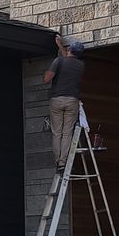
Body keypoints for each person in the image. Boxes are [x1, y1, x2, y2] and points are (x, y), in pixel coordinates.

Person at [44, 34, 87, 169]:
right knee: (67, 132)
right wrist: (60, 46)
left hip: (57, 99)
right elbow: (67, 59)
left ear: (70, 50)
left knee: (57, 132)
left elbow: (47, 79)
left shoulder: (58, 61)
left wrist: (48, 71)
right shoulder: (80, 65)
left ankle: (58, 161)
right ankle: (63, 162)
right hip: (72, 100)